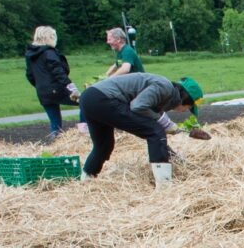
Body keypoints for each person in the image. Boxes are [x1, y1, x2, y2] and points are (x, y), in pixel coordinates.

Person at [78, 73, 209, 186]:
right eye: (188, 108)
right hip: (103, 99)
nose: (185, 111)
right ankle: (164, 186)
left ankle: (86, 180)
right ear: (185, 99)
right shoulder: (165, 88)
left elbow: (147, 128)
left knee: (104, 145)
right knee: (155, 131)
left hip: (89, 99)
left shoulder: (166, 93)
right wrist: (163, 121)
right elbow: (138, 106)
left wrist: (176, 158)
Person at [24, 26, 78, 139]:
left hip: (42, 91)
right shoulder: (49, 52)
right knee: (84, 102)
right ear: (49, 37)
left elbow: (29, 75)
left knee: (54, 122)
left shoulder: (30, 55)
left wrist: (40, 85)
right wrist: (72, 88)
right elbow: (59, 73)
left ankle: (55, 139)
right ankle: (84, 129)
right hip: (56, 88)